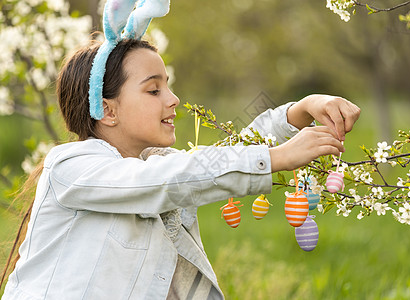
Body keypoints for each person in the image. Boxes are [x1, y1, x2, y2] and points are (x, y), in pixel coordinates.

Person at [1, 2, 360, 300]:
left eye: (167, 87)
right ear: (107, 110)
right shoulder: (71, 166)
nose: (173, 100)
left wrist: (298, 111)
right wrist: (278, 158)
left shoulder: (158, 165)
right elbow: (168, 180)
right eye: (153, 90)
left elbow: (214, 160)